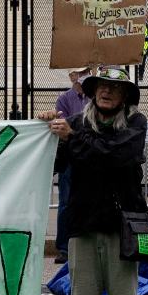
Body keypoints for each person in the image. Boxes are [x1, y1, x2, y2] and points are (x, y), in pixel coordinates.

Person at [39, 67, 148, 295]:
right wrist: (45, 130)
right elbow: (55, 162)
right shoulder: (74, 122)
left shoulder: (135, 123)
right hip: (83, 224)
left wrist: (72, 136)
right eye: (101, 86)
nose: (106, 92)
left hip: (122, 225)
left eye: (114, 88)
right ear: (92, 91)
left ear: (125, 97)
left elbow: (116, 155)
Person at [52, 65, 93, 264]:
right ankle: (63, 248)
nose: (84, 76)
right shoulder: (65, 99)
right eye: (81, 73)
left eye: (86, 72)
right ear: (72, 76)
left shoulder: (93, 98)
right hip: (70, 155)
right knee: (66, 202)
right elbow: (64, 125)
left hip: (87, 152)